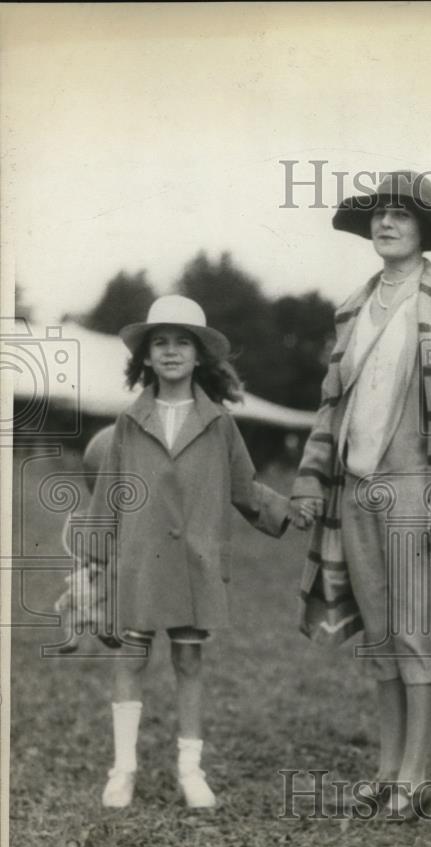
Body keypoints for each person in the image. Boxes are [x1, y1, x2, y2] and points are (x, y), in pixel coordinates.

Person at [291, 171, 431, 820]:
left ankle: (416, 774)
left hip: (414, 486)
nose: (385, 223)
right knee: (377, 634)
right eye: (376, 213)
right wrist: (312, 479)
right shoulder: (351, 307)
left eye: (400, 214)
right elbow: (329, 405)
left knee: (413, 631)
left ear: (422, 228)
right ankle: (384, 768)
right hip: (355, 489)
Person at [86, 295, 291, 810]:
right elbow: (107, 494)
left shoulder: (219, 422)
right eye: (161, 342)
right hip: (138, 561)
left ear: (200, 356)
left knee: (189, 660)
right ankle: (123, 770)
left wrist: (294, 513)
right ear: (147, 356)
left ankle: (190, 769)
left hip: (194, 562)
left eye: (183, 342)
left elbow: (246, 490)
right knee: (131, 657)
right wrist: (93, 564)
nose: (172, 351)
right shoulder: (129, 423)